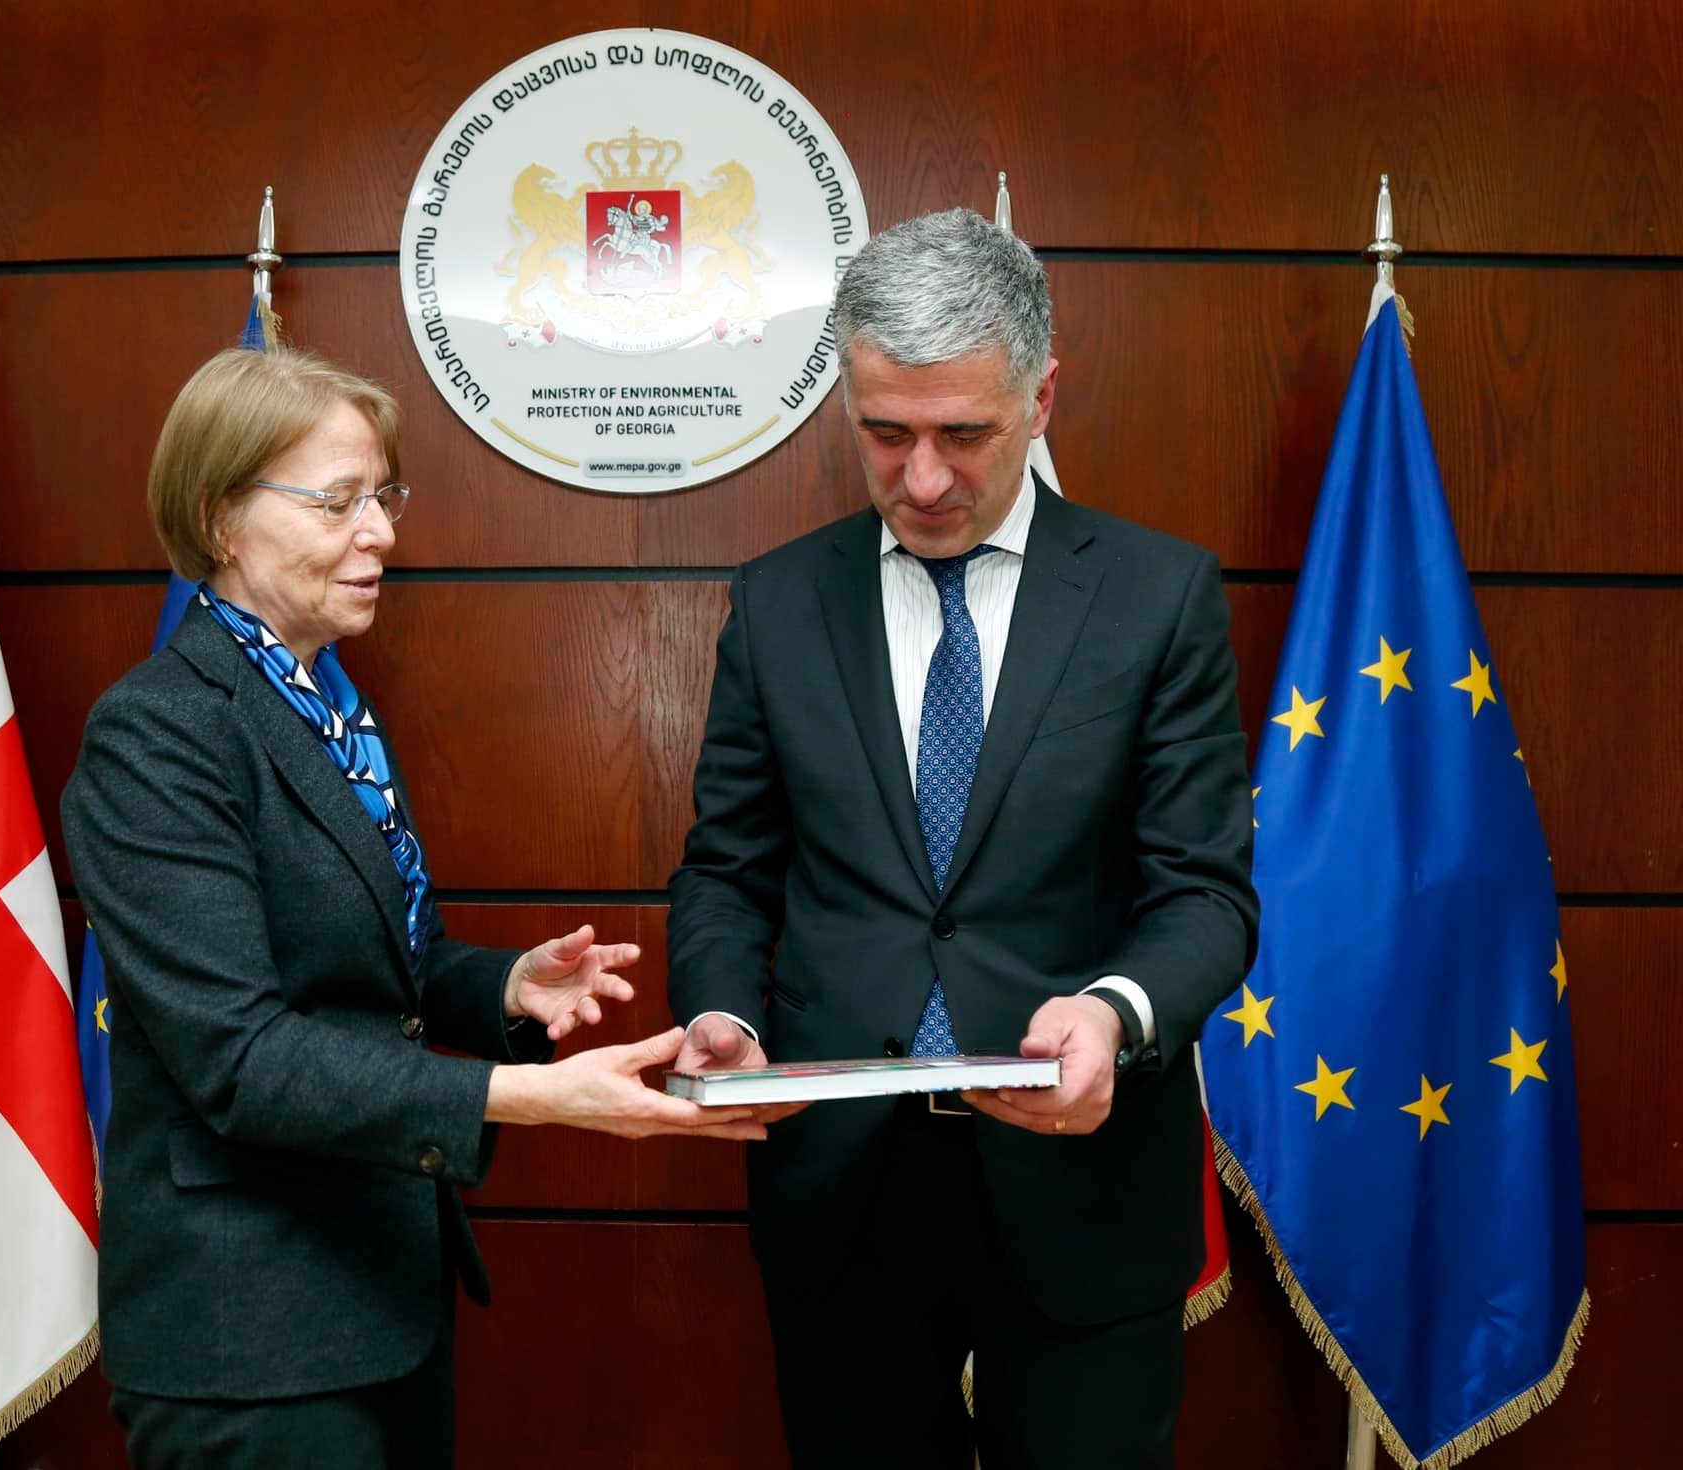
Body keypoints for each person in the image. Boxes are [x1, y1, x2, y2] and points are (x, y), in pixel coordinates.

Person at [62, 345, 770, 1470]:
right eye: (336, 502)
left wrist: (505, 987)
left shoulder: (326, 707)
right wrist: (529, 1098)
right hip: (248, 1333)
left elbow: (373, 969)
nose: (380, 533)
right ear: (219, 519)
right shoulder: (158, 733)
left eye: (383, 496)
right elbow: (240, 1055)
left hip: (375, 1294)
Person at [667, 208, 1259, 1468]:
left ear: (1040, 398)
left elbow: (1204, 894)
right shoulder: (777, 602)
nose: (922, 481)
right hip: (842, 1187)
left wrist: (1110, 1012)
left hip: (1082, 1176)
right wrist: (722, 1014)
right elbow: (726, 870)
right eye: (884, 433)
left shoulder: (1157, 596)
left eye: (962, 435)